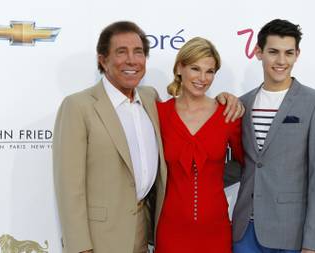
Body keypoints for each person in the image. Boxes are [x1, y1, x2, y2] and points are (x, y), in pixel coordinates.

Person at [53, 21, 243, 253]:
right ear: (103, 60)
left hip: (178, 231)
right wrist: (79, 247)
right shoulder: (155, 109)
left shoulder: (150, 100)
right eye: (121, 52)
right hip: (141, 232)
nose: (132, 60)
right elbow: (69, 187)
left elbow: (246, 164)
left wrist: (206, 180)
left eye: (210, 71)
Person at [231, 19, 315, 253]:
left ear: (297, 54)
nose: (281, 61)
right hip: (244, 232)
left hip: (292, 234)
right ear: (258, 53)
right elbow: (244, 163)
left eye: (288, 53)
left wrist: (314, 243)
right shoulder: (243, 103)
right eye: (273, 52)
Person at [155, 37, 244, 253]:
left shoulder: (228, 114)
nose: (202, 78)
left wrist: (211, 177)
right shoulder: (159, 113)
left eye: (210, 71)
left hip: (216, 231)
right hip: (170, 230)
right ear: (179, 68)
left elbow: (246, 163)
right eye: (195, 68)